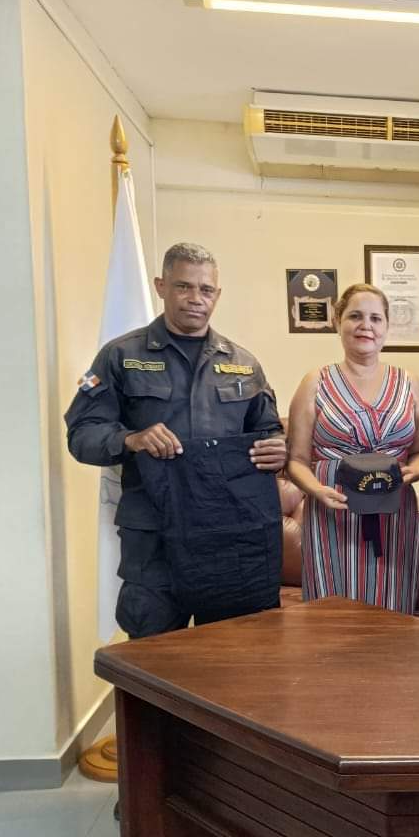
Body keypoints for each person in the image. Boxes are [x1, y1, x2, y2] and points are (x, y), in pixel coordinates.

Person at [65, 241, 286, 640]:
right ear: (161, 286)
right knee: (154, 658)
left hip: (227, 538)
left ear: (217, 294)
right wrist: (131, 439)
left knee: (234, 655)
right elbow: (82, 434)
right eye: (184, 286)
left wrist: (277, 449)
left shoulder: (243, 363)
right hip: (155, 538)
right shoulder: (120, 356)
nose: (195, 298)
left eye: (206, 289)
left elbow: (268, 431)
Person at [286, 283, 419, 613]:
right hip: (332, 513)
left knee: (393, 606)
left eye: (376, 318)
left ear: (387, 327)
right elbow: (296, 461)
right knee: (332, 612)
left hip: (393, 513)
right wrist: (317, 491)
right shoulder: (315, 382)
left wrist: (417, 470)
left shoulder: (409, 382)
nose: (366, 325)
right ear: (338, 322)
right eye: (355, 316)